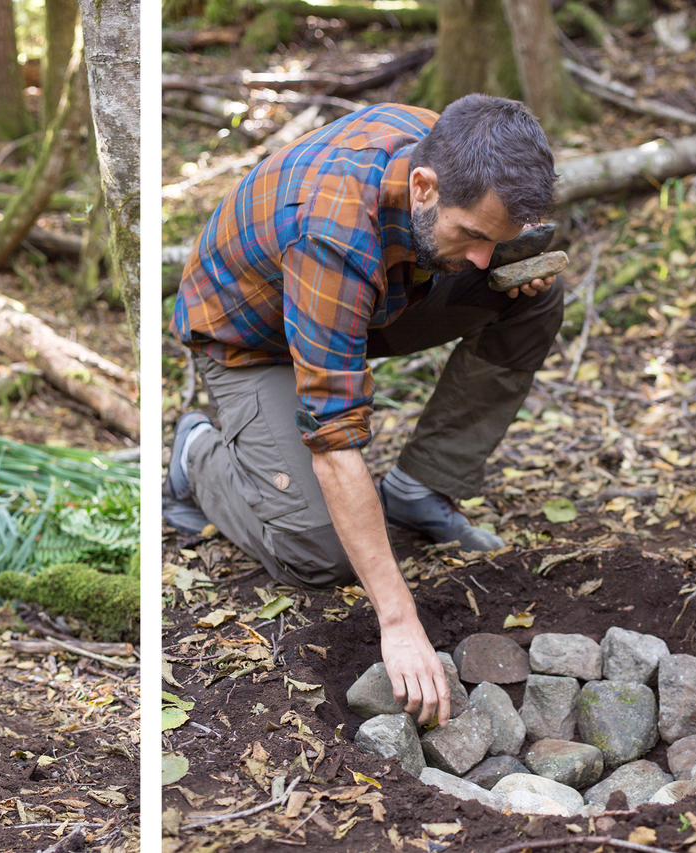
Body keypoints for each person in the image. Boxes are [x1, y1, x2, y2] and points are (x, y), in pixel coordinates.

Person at [163, 95, 562, 726]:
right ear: (424, 187)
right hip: (253, 340)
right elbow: (334, 439)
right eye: (474, 236)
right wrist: (399, 621)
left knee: (531, 296)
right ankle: (196, 453)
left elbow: (482, 244)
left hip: (369, 300)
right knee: (320, 557)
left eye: (495, 240)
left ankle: (417, 489)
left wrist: (510, 258)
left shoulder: (453, 149)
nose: (483, 256)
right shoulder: (331, 234)